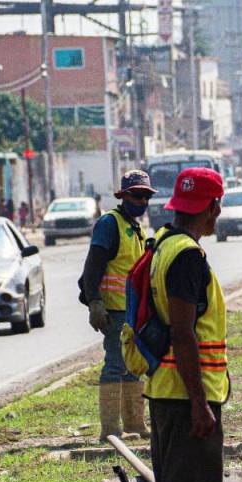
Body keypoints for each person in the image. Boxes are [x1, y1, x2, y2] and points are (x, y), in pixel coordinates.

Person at [144, 167, 231, 482]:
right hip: (186, 398)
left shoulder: (164, 245)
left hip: (168, 392)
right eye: (218, 207)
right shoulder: (187, 258)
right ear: (213, 207)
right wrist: (200, 404)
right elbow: (183, 332)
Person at [80, 170, 154, 441]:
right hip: (114, 310)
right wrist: (94, 303)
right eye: (137, 195)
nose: (142, 200)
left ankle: (135, 424)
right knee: (114, 365)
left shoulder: (136, 228)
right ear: (123, 196)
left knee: (134, 365)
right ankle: (110, 430)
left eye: (146, 196)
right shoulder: (110, 224)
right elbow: (93, 265)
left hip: (135, 312)